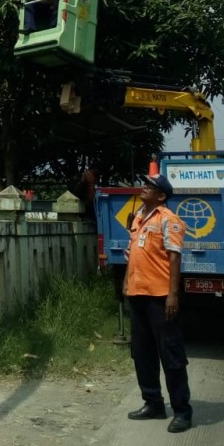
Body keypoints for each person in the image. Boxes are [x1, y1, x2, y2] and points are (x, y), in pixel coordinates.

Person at [123, 172, 192, 433]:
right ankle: (153, 402)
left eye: (150, 186)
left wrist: (173, 294)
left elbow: (174, 258)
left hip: (160, 297)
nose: (144, 187)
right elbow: (133, 253)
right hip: (138, 294)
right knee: (142, 353)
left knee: (171, 354)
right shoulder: (138, 217)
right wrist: (126, 283)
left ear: (161, 196)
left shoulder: (168, 220)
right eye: (145, 183)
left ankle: (182, 411)